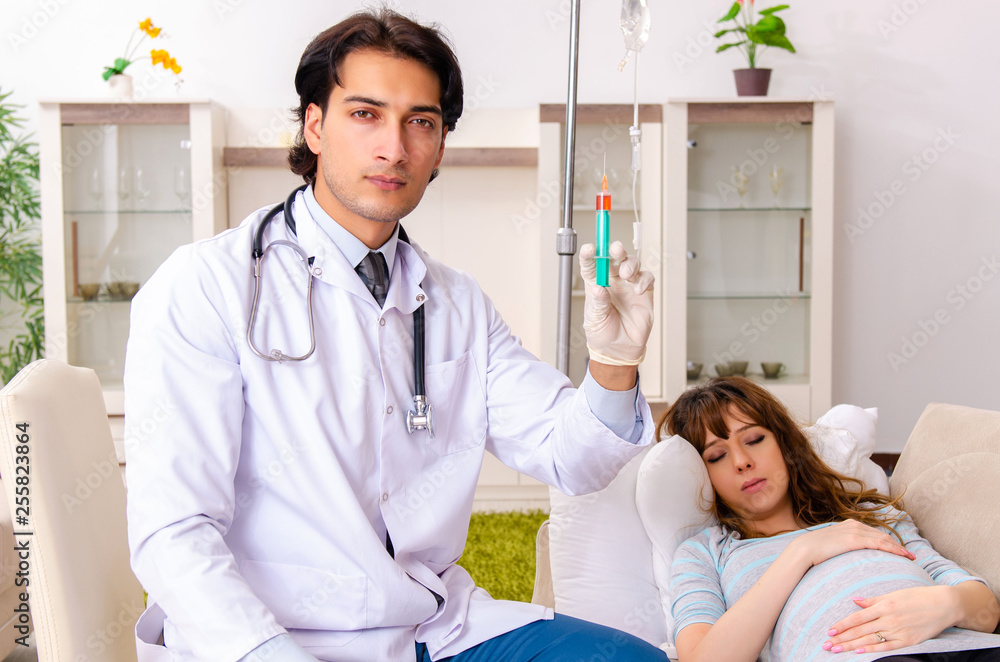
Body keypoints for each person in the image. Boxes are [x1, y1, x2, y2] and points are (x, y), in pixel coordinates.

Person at [123, 8, 666, 662]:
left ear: (440, 145)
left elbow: (570, 459)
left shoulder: (456, 303)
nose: (394, 148)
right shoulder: (206, 285)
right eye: (365, 114)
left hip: (428, 630)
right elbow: (174, 531)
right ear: (314, 126)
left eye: (421, 122)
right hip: (263, 640)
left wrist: (613, 360)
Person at [658, 377, 1000, 662]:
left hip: (968, 647)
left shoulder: (871, 514)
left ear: (784, 443)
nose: (741, 461)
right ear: (703, 474)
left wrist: (945, 605)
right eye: (717, 456)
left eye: (754, 439)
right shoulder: (706, 553)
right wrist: (801, 552)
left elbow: (985, 609)